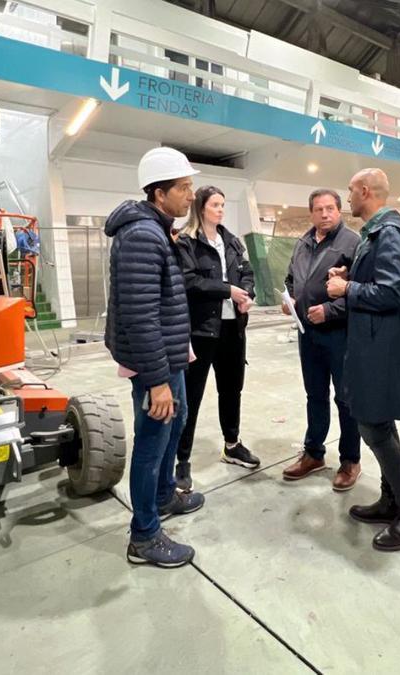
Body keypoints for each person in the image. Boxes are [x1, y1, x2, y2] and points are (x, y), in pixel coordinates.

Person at [104, 147, 206, 568]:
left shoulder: (157, 230)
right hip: (154, 363)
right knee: (152, 440)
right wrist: (157, 380)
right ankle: (144, 535)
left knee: (173, 425)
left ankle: (164, 497)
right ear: (159, 193)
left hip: (167, 355)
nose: (190, 195)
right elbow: (141, 312)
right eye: (183, 188)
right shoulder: (144, 236)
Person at [325, 168, 400, 551]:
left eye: (350, 191)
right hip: (375, 344)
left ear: (365, 191)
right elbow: (382, 277)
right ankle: (391, 501)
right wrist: (352, 271)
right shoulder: (379, 232)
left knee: (373, 425)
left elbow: (393, 290)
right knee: (380, 422)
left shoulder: (388, 233)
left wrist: (346, 287)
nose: (348, 198)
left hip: (381, 348)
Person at [173, 186, 260, 490]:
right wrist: (227, 290)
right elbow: (189, 280)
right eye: (215, 205)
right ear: (200, 208)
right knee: (191, 398)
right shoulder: (187, 241)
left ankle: (232, 445)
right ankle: (182, 461)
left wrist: (246, 294)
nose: (220, 210)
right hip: (200, 331)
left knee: (231, 389)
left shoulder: (231, 241)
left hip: (232, 329)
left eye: (223, 204)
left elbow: (246, 273)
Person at [281, 188, 363, 491]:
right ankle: (314, 454)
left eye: (330, 208)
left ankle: (350, 460)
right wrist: (290, 299)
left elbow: (361, 289)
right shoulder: (302, 243)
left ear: (339, 211)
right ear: (311, 212)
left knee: (345, 399)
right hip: (308, 334)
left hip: (339, 334)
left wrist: (330, 310)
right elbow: (291, 279)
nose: (325, 214)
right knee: (314, 395)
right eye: (319, 209)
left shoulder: (353, 243)